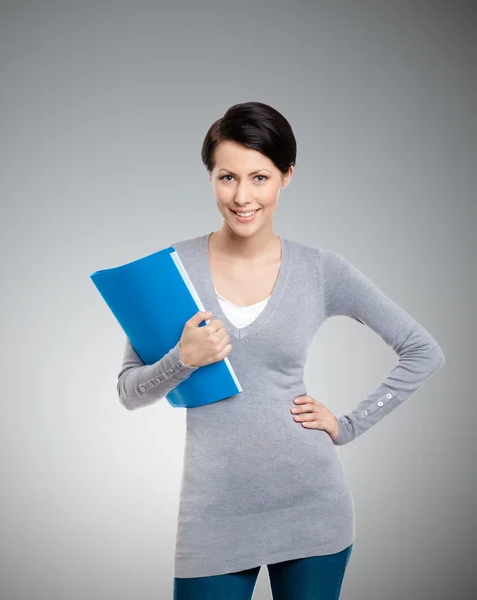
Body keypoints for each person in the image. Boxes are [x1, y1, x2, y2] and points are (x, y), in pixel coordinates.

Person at [116, 102, 445, 600]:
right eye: (227, 177)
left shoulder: (319, 270)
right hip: (214, 516)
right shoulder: (172, 270)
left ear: (286, 177)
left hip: (313, 509)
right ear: (210, 178)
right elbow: (128, 391)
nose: (242, 196)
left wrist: (350, 424)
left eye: (260, 178)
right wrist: (182, 358)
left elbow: (423, 350)